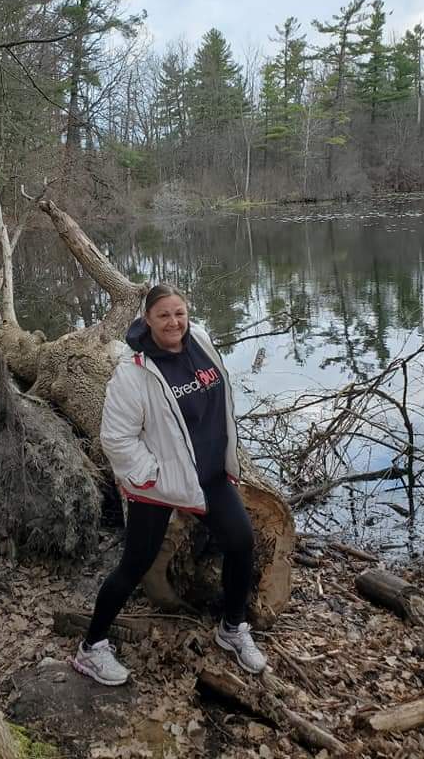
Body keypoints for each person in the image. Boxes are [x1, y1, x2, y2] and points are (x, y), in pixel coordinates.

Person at [72, 283, 267, 686]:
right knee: (135, 564)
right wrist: (154, 478)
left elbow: (222, 403)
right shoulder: (134, 372)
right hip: (159, 484)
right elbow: (116, 439)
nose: (174, 322)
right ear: (147, 319)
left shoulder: (200, 340)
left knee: (241, 542)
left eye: (179, 312)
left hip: (209, 475)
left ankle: (232, 628)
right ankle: (91, 648)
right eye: (163, 315)